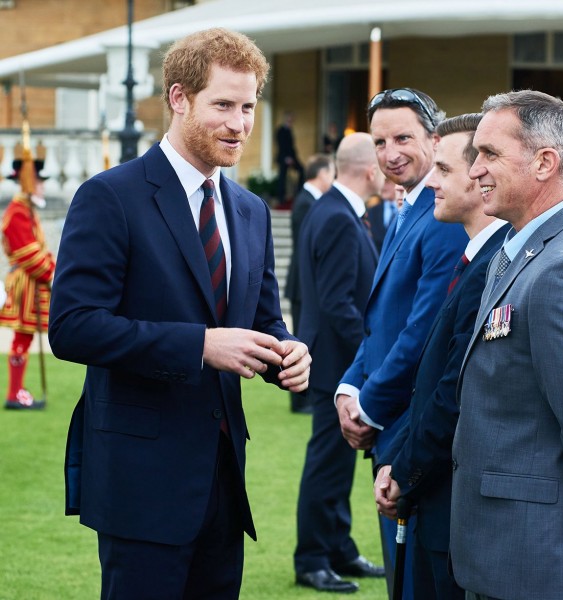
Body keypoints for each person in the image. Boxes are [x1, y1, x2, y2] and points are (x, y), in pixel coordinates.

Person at [49, 28, 311, 600]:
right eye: (222, 105)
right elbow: (71, 327)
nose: (239, 123)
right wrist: (198, 344)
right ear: (178, 98)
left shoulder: (250, 211)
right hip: (141, 483)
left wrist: (286, 352)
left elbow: (262, 319)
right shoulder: (109, 196)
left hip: (223, 480)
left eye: (247, 107)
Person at [450, 90, 563, 600]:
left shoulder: (562, 269)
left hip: (536, 562)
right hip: (503, 553)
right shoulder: (521, 254)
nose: (474, 170)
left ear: (545, 162)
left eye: (489, 154)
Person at [335, 88, 468, 599]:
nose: (390, 154)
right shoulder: (406, 207)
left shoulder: (441, 216)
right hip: (389, 425)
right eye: (380, 141)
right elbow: (381, 320)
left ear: (436, 140)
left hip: (413, 429)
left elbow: (423, 332)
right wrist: (348, 386)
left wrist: (367, 407)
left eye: (403, 138)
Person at [373, 113, 509, 600]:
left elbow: (454, 391)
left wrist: (404, 469)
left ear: (480, 178)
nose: (429, 179)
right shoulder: (473, 259)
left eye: (444, 170)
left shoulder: (496, 267)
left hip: (453, 497)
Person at [294, 133, 384, 593]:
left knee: (338, 462)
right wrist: (370, 356)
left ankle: (339, 549)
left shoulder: (337, 210)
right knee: (327, 462)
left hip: (336, 360)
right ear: (369, 170)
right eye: (381, 160)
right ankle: (312, 558)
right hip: (334, 363)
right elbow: (336, 302)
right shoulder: (336, 217)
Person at [0, 156, 54, 410]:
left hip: (31, 282)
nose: (42, 187)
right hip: (26, 283)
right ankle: (14, 394)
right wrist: (53, 273)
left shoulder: (27, 210)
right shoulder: (18, 211)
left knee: (24, 338)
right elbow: (29, 255)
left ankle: (17, 392)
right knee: (22, 337)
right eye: (39, 182)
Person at [285, 153, 335, 413]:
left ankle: (306, 395)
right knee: (301, 340)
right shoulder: (306, 203)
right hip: (302, 283)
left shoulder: (310, 201)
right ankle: (299, 399)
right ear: (323, 173)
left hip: (306, 282)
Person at [275, 111, 304, 206]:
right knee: (282, 178)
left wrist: (293, 158)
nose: (291, 121)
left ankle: (299, 193)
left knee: (302, 170)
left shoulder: (290, 130)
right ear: (286, 119)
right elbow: (281, 145)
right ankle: (281, 198)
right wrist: (286, 158)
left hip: (292, 157)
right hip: (284, 158)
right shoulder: (280, 130)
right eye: (289, 119)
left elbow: (291, 146)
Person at [367, 178, 399, 253]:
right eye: (382, 182)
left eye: (387, 183)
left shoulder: (406, 209)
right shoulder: (371, 211)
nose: (383, 187)